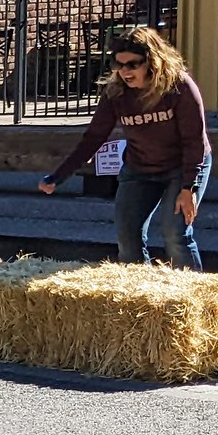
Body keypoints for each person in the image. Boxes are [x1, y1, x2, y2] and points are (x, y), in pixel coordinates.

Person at [39, 27, 211, 271]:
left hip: (183, 167)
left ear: (152, 62)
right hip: (140, 168)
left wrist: (188, 188)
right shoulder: (116, 93)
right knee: (128, 239)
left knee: (176, 235)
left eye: (132, 65)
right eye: (118, 65)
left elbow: (194, 141)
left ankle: (194, 304)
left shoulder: (179, 87)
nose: (124, 72)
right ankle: (139, 301)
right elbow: (94, 137)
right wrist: (59, 175)